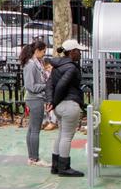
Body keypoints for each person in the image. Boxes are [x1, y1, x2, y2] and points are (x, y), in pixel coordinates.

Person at [48, 39, 87, 177]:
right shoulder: (71, 68)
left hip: (59, 107)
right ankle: (64, 167)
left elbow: (50, 85)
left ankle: (56, 165)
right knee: (67, 136)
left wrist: (52, 102)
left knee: (61, 134)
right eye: (78, 51)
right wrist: (54, 101)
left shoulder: (56, 66)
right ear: (72, 52)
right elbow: (61, 86)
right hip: (69, 105)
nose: (80, 54)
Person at [20, 41, 53, 166]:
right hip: (35, 98)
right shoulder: (31, 65)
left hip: (35, 98)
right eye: (43, 51)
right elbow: (31, 86)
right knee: (35, 130)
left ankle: (32, 156)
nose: (44, 54)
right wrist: (45, 86)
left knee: (32, 129)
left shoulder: (36, 63)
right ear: (37, 50)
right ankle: (35, 158)